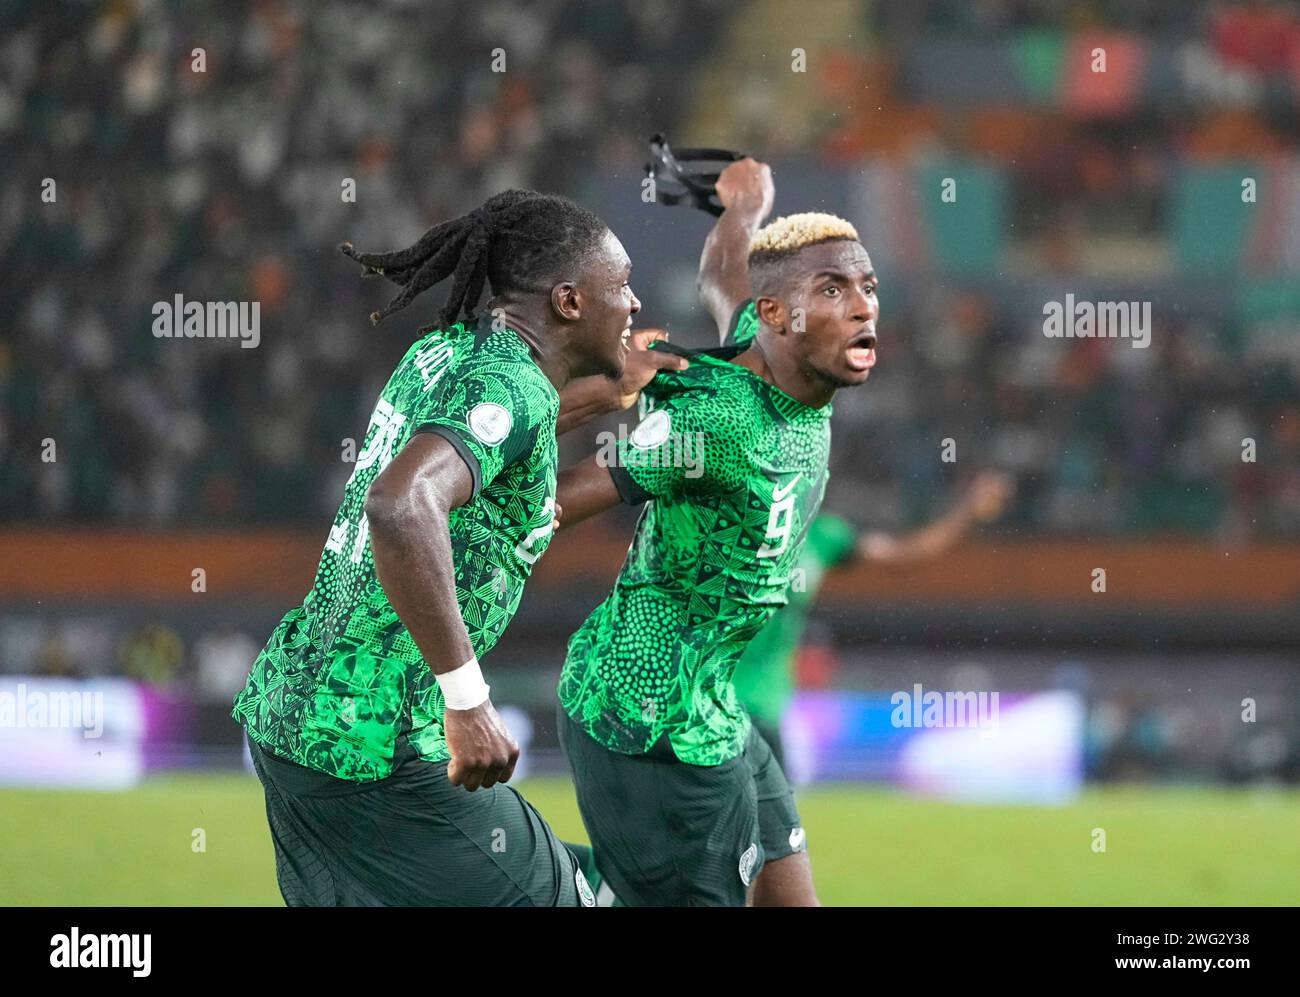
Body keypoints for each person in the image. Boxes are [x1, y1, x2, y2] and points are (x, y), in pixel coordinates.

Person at [232, 188, 653, 906]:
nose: (637, 303)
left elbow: (494, 446)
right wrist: (468, 700)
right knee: (584, 893)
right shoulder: (510, 384)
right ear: (570, 301)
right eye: (623, 286)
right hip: (374, 741)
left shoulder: (446, 351)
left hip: (294, 719)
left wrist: (610, 396)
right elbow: (401, 505)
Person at [552, 158, 879, 905]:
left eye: (867, 287)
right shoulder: (718, 421)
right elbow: (559, 502)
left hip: (718, 705)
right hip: (645, 723)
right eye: (833, 290)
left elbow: (726, 273)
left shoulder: (770, 349)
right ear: (777, 317)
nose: (862, 307)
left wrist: (745, 207)